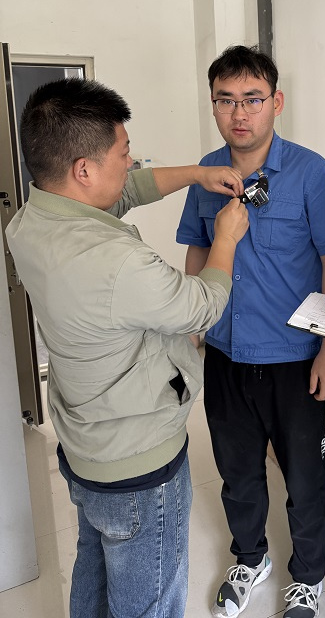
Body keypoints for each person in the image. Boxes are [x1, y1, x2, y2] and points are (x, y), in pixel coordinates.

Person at [6, 77, 249, 618]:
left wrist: (197, 174)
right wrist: (226, 239)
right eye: (123, 152)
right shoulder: (116, 262)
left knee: (93, 575)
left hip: (86, 451)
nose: (132, 160)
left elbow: (127, 192)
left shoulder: (30, 221)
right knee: (149, 603)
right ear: (84, 170)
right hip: (138, 468)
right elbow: (202, 306)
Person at [176, 45, 325, 618]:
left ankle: (308, 578)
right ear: (213, 105)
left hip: (295, 357)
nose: (239, 113)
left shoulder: (310, 173)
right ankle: (249, 558)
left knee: (305, 478)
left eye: (252, 99)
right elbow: (197, 249)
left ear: (276, 102)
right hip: (227, 354)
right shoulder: (206, 173)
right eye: (225, 100)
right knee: (237, 473)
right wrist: (195, 327)